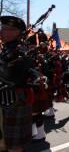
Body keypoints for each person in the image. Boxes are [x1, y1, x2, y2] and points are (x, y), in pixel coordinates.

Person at [0, 16, 36, 152]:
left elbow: (12, 77)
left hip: (14, 102)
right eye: (2, 28)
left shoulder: (23, 51)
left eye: (7, 29)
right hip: (4, 102)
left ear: (18, 32)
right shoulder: (5, 50)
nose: (2, 31)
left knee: (14, 147)